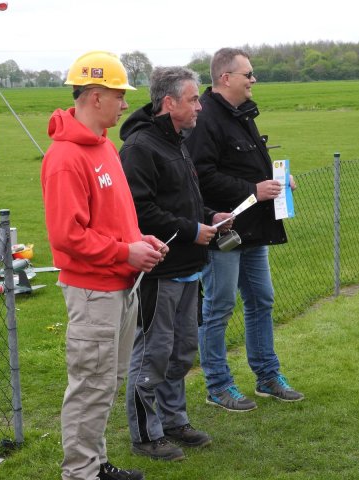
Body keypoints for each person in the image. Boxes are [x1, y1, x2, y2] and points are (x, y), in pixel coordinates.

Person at [41, 51, 167, 480]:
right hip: (93, 290)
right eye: (119, 95)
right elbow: (67, 236)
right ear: (95, 96)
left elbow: (114, 219)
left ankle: (95, 463)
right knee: (90, 386)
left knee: (106, 382)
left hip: (119, 285)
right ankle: (80, 473)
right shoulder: (65, 158)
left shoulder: (104, 147)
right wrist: (124, 253)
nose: (125, 104)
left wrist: (139, 240)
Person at [119, 67, 233, 461]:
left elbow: (184, 200)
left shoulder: (177, 141)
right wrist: (191, 229)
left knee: (182, 350)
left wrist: (211, 216)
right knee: (153, 352)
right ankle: (145, 435)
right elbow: (139, 211)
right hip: (160, 271)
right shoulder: (140, 147)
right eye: (193, 99)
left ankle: (173, 421)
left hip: (189, 268)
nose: (200, 106)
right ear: (169, 103)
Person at [186, 47, 304, 412]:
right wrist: (252, 189)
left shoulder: (242, 114)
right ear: (225, 78)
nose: (254, 79)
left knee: (261, 300)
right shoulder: (205, 119)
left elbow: (247, 166)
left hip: (255, 229)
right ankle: (218, 386)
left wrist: (278, 182)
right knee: (219, 307)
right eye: (248, 74)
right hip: (224, 231)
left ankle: (267, 376)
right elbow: (200, 176)